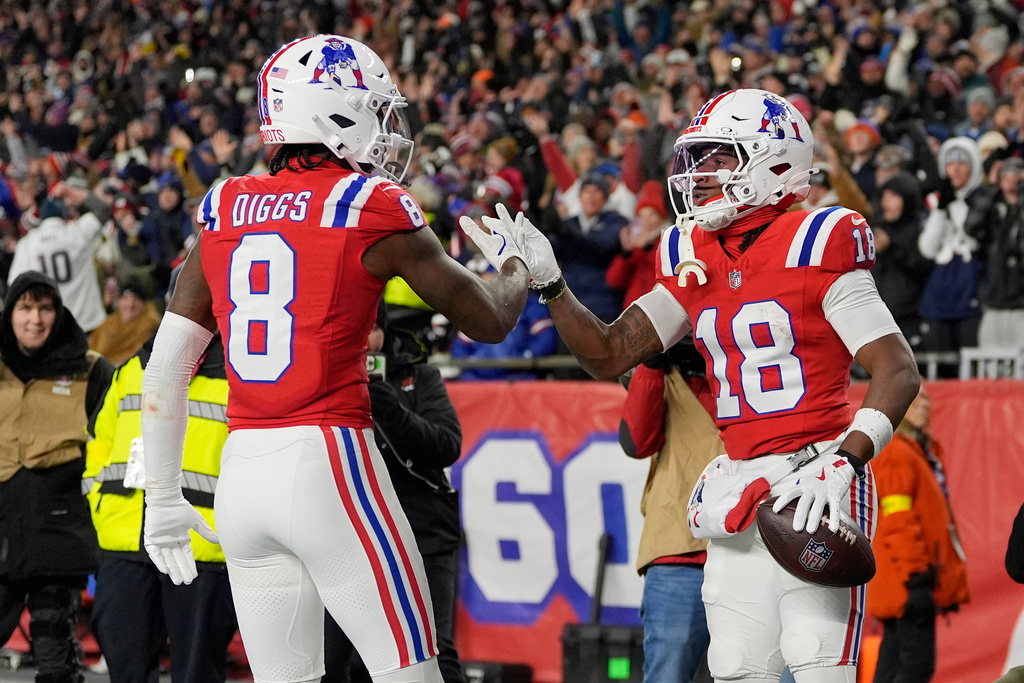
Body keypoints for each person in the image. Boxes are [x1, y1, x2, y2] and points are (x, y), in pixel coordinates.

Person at [468, 89, 921, 682]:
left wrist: (845, 463)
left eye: (720, 158)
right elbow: (609, 355)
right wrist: (552, 285)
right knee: (733, 665)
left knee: (815, 656)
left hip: (814, 476)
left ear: (775, 163)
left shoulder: (821, 239)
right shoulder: (692, 251)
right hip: (736, 480)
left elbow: (897, 369)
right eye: (698, 159)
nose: (701, 175)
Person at [138, 34, 531, 683]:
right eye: (373, 109)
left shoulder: (224, 204)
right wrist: (520, 266)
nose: (384, 127)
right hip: (326, 458)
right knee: (412, 672)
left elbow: (167, 366)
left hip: (241, 474)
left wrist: (162, 493)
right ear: (335, 112)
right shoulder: (368, 204)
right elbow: (489, 319)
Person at [84, 331, 238, 683]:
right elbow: (99, 438)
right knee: (125, 667)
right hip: (124, 540)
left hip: (201, 547)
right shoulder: (132, 368)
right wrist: (97, 497)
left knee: (197, 672)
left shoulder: (235, 373)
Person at [324, 301, 465, 683]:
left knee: (434, 650)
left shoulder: (419, 377)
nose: (365, 342)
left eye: (371, 330)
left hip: (423, 530)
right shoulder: (322, 380)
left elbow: (448, 444)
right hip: (349, 535)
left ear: (384, 333)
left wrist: (393, 411)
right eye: (357, 331)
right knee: (336, 656)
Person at [0, 271, 114, 683]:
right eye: (25, 308)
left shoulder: (92, 371)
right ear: (10, 313)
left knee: (56, 659)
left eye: (45, 308)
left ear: (59, 313)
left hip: (59, 532)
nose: (35, 319)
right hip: (2, 528)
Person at [618, 340, 720, 683]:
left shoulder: (750, 371)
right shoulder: (661, 375)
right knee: (667, 676)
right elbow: (637, 441)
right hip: (680, 552)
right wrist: (652, 357)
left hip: (752, 549)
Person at [866, 384, 970, 683]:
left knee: (892, 663)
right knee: (914, 666)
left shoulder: (917, 452)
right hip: (909, 581)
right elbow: (897, 518)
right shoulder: (898, 453)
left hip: (906, 580)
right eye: (917, 397)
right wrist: (916, 577)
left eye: (926, 397)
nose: (926, 404)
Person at [7, 185, 109, 333]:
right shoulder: (77, 232)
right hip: (87, 321)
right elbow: (103, 209)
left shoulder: (28, 243)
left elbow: (15, 285)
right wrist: (71, 191)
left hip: (50, 325)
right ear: (64, 215)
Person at [87, 276, 162, 366]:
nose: (130, 305)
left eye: (135, 299)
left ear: (143, 303)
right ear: (118, 301)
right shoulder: (106, 325)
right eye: (125, 299)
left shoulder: (152, 325)